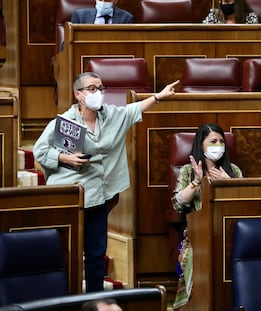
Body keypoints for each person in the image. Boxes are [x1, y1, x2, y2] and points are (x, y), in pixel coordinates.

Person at [33, 71, 179, 292]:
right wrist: (65, 157)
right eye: (92, 89)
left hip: (100, 195)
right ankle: (64, 297)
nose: (98, 93)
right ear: (78, 95)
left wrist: (158, 96)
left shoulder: (111, 116)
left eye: (101, 88)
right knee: (65, 252)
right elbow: (40, 151)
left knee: (96, 253)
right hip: (71, 196)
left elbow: (134, 110)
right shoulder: (64, 122)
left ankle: (94, 299)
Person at [171, 123, 243, 310]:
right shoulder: (188, 170)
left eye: (221, 141)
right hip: (198, 238)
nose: (218, 145)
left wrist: (228, 184)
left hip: (232, 235)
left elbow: (245, 204)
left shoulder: (233, 171)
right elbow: (178, 203)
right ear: (201, 145)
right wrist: (196, 181)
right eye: (213, 141)